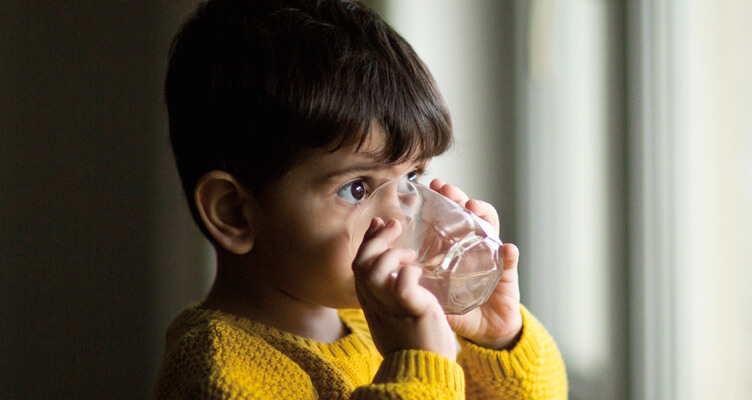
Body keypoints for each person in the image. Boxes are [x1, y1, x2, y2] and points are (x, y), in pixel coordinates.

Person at [151, 0, 568, 398]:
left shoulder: (376, 320)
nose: (402, 218)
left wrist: (498, 338)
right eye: (357, 188)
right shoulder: (217, 372)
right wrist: (417, 364)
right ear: (234, 213)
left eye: (412, 175)